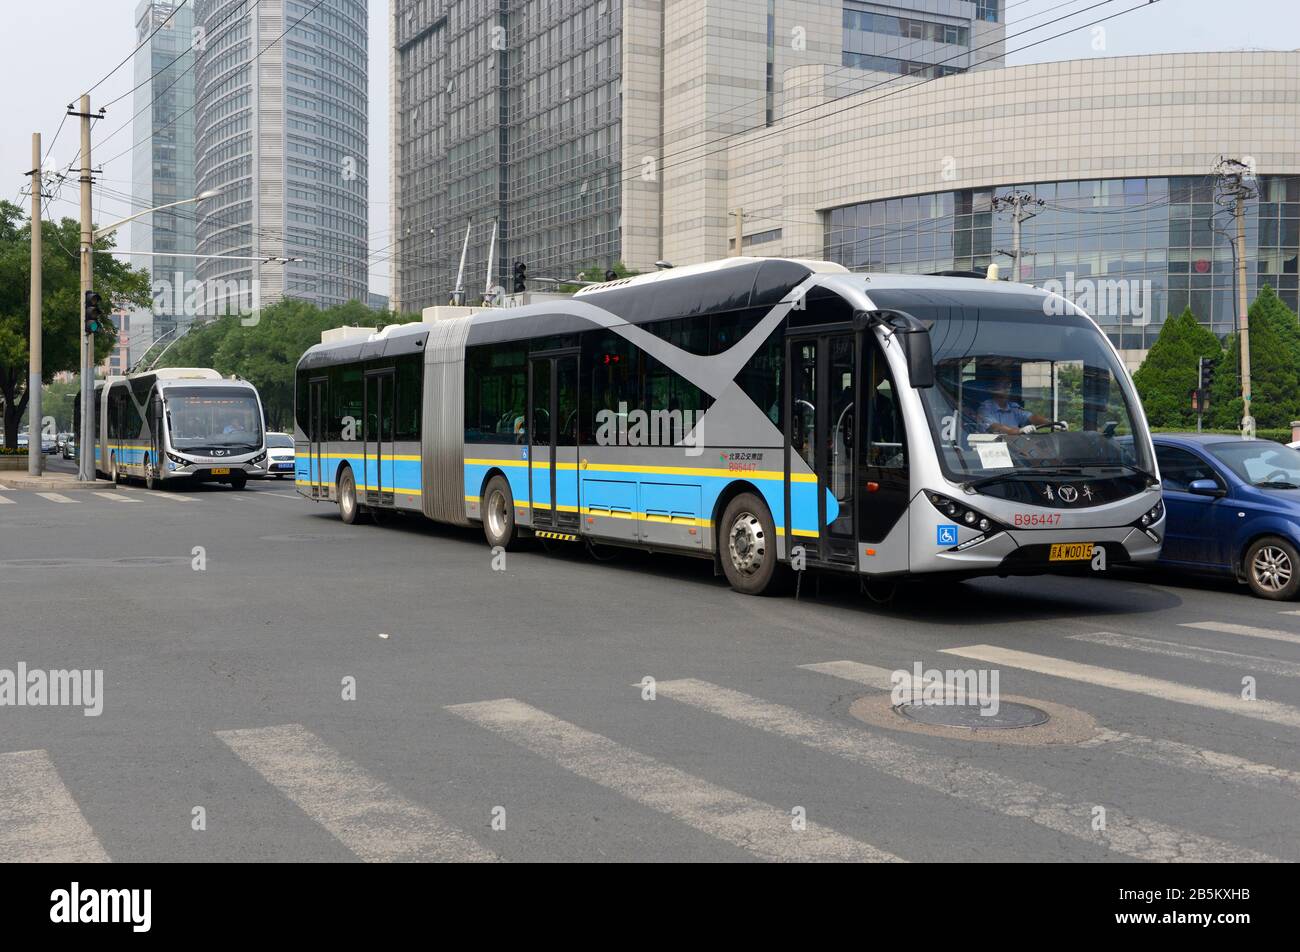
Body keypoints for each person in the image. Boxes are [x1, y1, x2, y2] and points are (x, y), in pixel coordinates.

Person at [977, 376, 1059, 436]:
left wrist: (1053, 424)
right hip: (994, 450)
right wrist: (1019, 431)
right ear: (993, 389)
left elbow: (1032, 417)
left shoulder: (1013, 407)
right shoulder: (985, 408)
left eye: (1009, 386)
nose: (1007, 389)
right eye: (1004, 386)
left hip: (1015, 449)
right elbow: (997, 427)